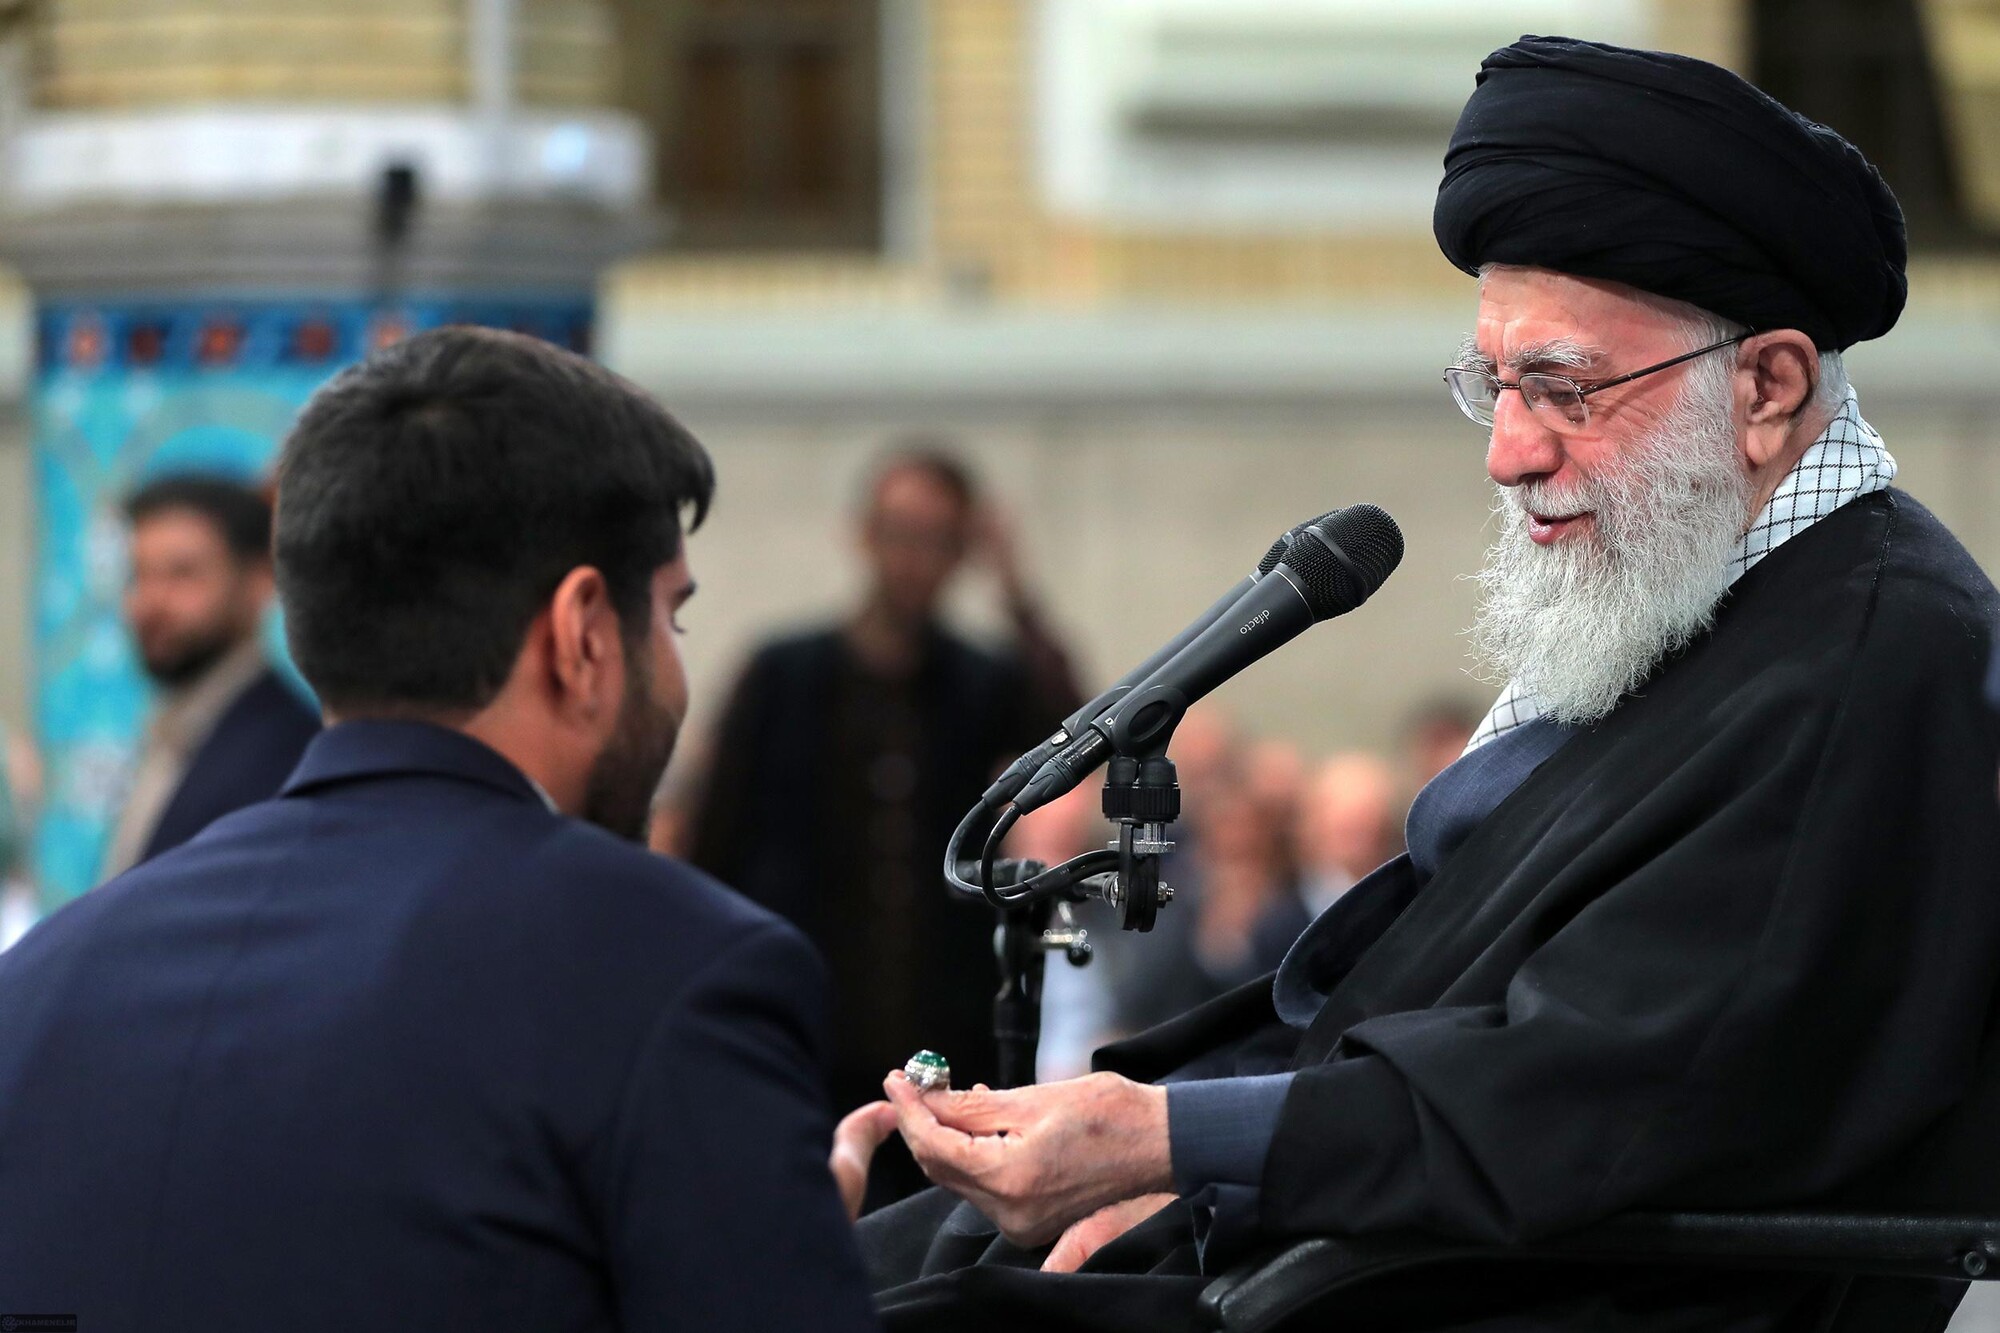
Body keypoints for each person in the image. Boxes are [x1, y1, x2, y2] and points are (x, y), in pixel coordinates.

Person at [842, 37, 2000, 1333]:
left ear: (1767, 386)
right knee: (789, 1260)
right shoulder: (1703, 601)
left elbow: (1599, 1092)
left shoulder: (1867, 668)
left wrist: (1175, 1142)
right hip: (1336, 1240)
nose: (1508, 453)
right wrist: (1147, 1138)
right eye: (1493, 385)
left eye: (1562, 389)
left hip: (1474, 1294)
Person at [0, 328, 880, 1331]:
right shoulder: (672, 973)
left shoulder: (39, 984)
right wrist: (778, 1243)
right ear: (582, 633)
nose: (675, 670)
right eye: (671, 617)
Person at [684, 443, 1080, 1205]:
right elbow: (714, 843)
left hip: (942, 1044)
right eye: (900, 531)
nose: (914, 559)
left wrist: (1017, 591)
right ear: (864, 533)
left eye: (938, 539)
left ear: (962, 551)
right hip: (795, 1031)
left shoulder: (981, 681)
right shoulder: (782, 674)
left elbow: (1078, 727)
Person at [100, 474, 319, 879]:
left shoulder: (285, 748)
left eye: (182, 574)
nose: (151, 602)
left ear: (259, 581)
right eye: (138, 575)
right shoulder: (174, 730)